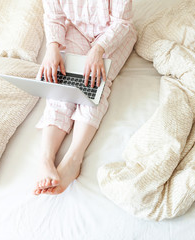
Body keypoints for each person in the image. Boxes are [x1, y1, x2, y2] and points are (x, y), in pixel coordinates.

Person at [34, 0, 137, 195]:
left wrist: (98, 50)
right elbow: (54, 17)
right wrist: (52, 47)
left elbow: (122, 23)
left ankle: (74, 159)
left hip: (114, 34)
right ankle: (45, 159)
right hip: (76, 30)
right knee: (61, 83)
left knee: (95, 85)